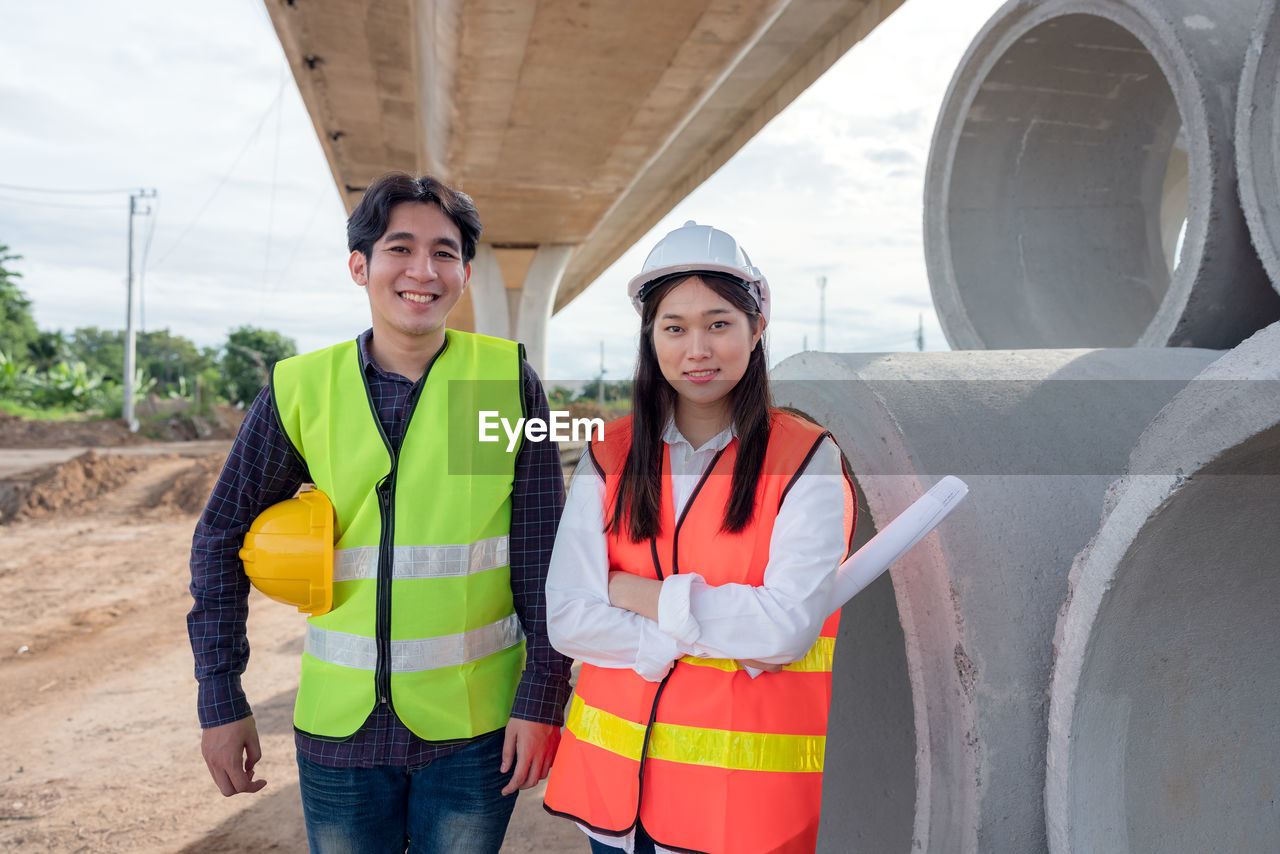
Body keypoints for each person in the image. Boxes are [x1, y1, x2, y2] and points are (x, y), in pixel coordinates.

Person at [188, 172, 573, 853]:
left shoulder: (505, 385)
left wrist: (542, 698)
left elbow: (546, 552)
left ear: (465, 271)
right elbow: (221, 537)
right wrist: (221, 697)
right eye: (400, 249)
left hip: (474, 730)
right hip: (340, 733)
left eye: (444, 252)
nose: (422, 271)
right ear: (359, 266)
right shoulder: (301, 389)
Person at [541, 221, 856, 854]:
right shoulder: (611, 452)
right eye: (674, 327)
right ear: (650, 337)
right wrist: (699, 632)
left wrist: (633, 592)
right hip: (615, 801)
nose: (697, 349)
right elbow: (568, 618)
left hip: (740, 813)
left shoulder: (805, 458)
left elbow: (785, 629)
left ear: (756, 329)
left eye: (719, 323)